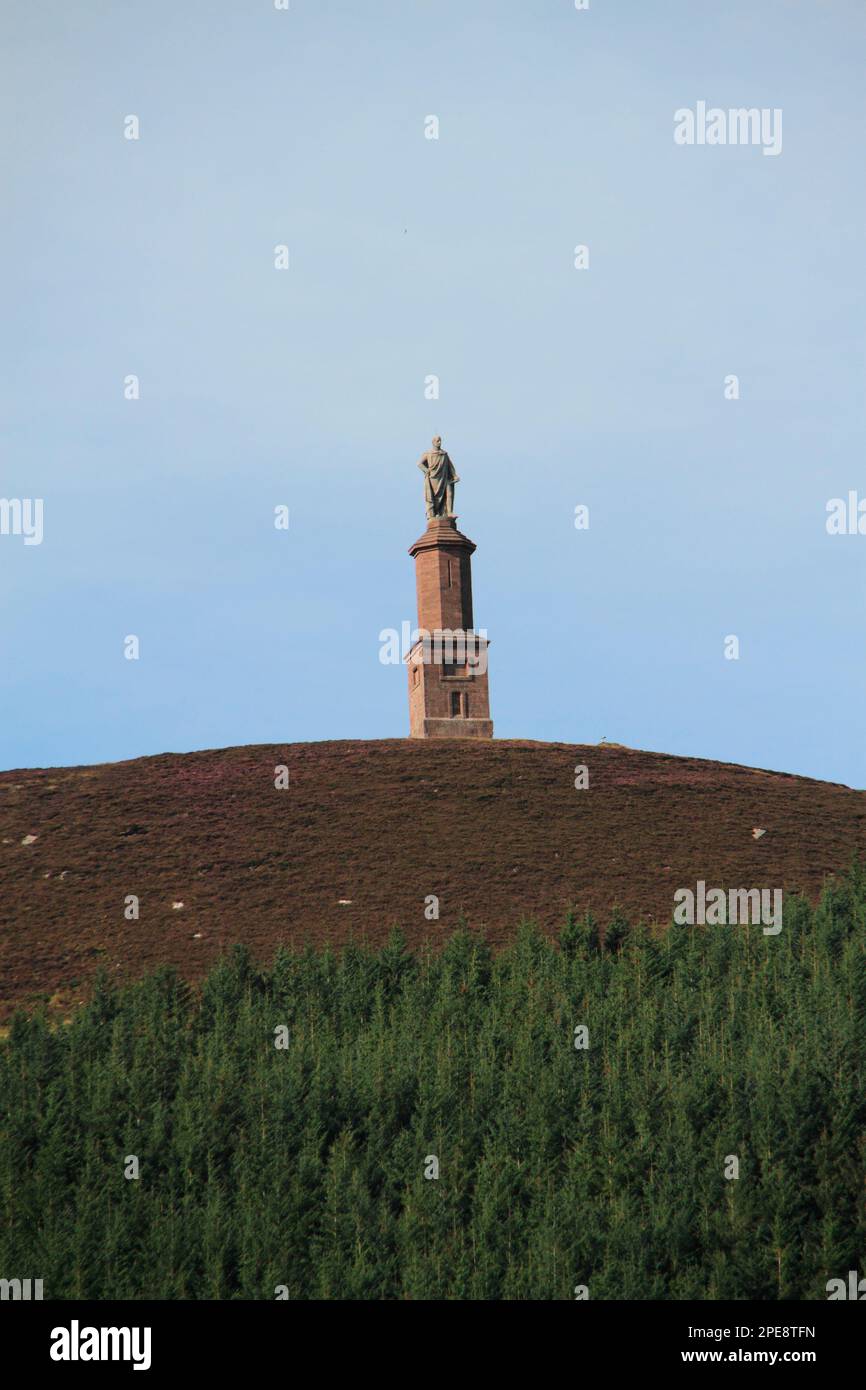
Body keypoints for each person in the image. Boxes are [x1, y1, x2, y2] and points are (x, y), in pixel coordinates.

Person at [417, 436, 459, 519]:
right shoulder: (428, 453)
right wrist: (427, 470)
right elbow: (419, 464)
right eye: (437, 441)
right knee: (433, 498)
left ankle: (449, 512)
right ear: (433, 442)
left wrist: (454, 475)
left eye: (440, 440)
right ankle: (433, 514)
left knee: (449, 493)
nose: (439, 442)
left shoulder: (444, 454)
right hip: (433, 478)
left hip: (444, 477)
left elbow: (450, 466)